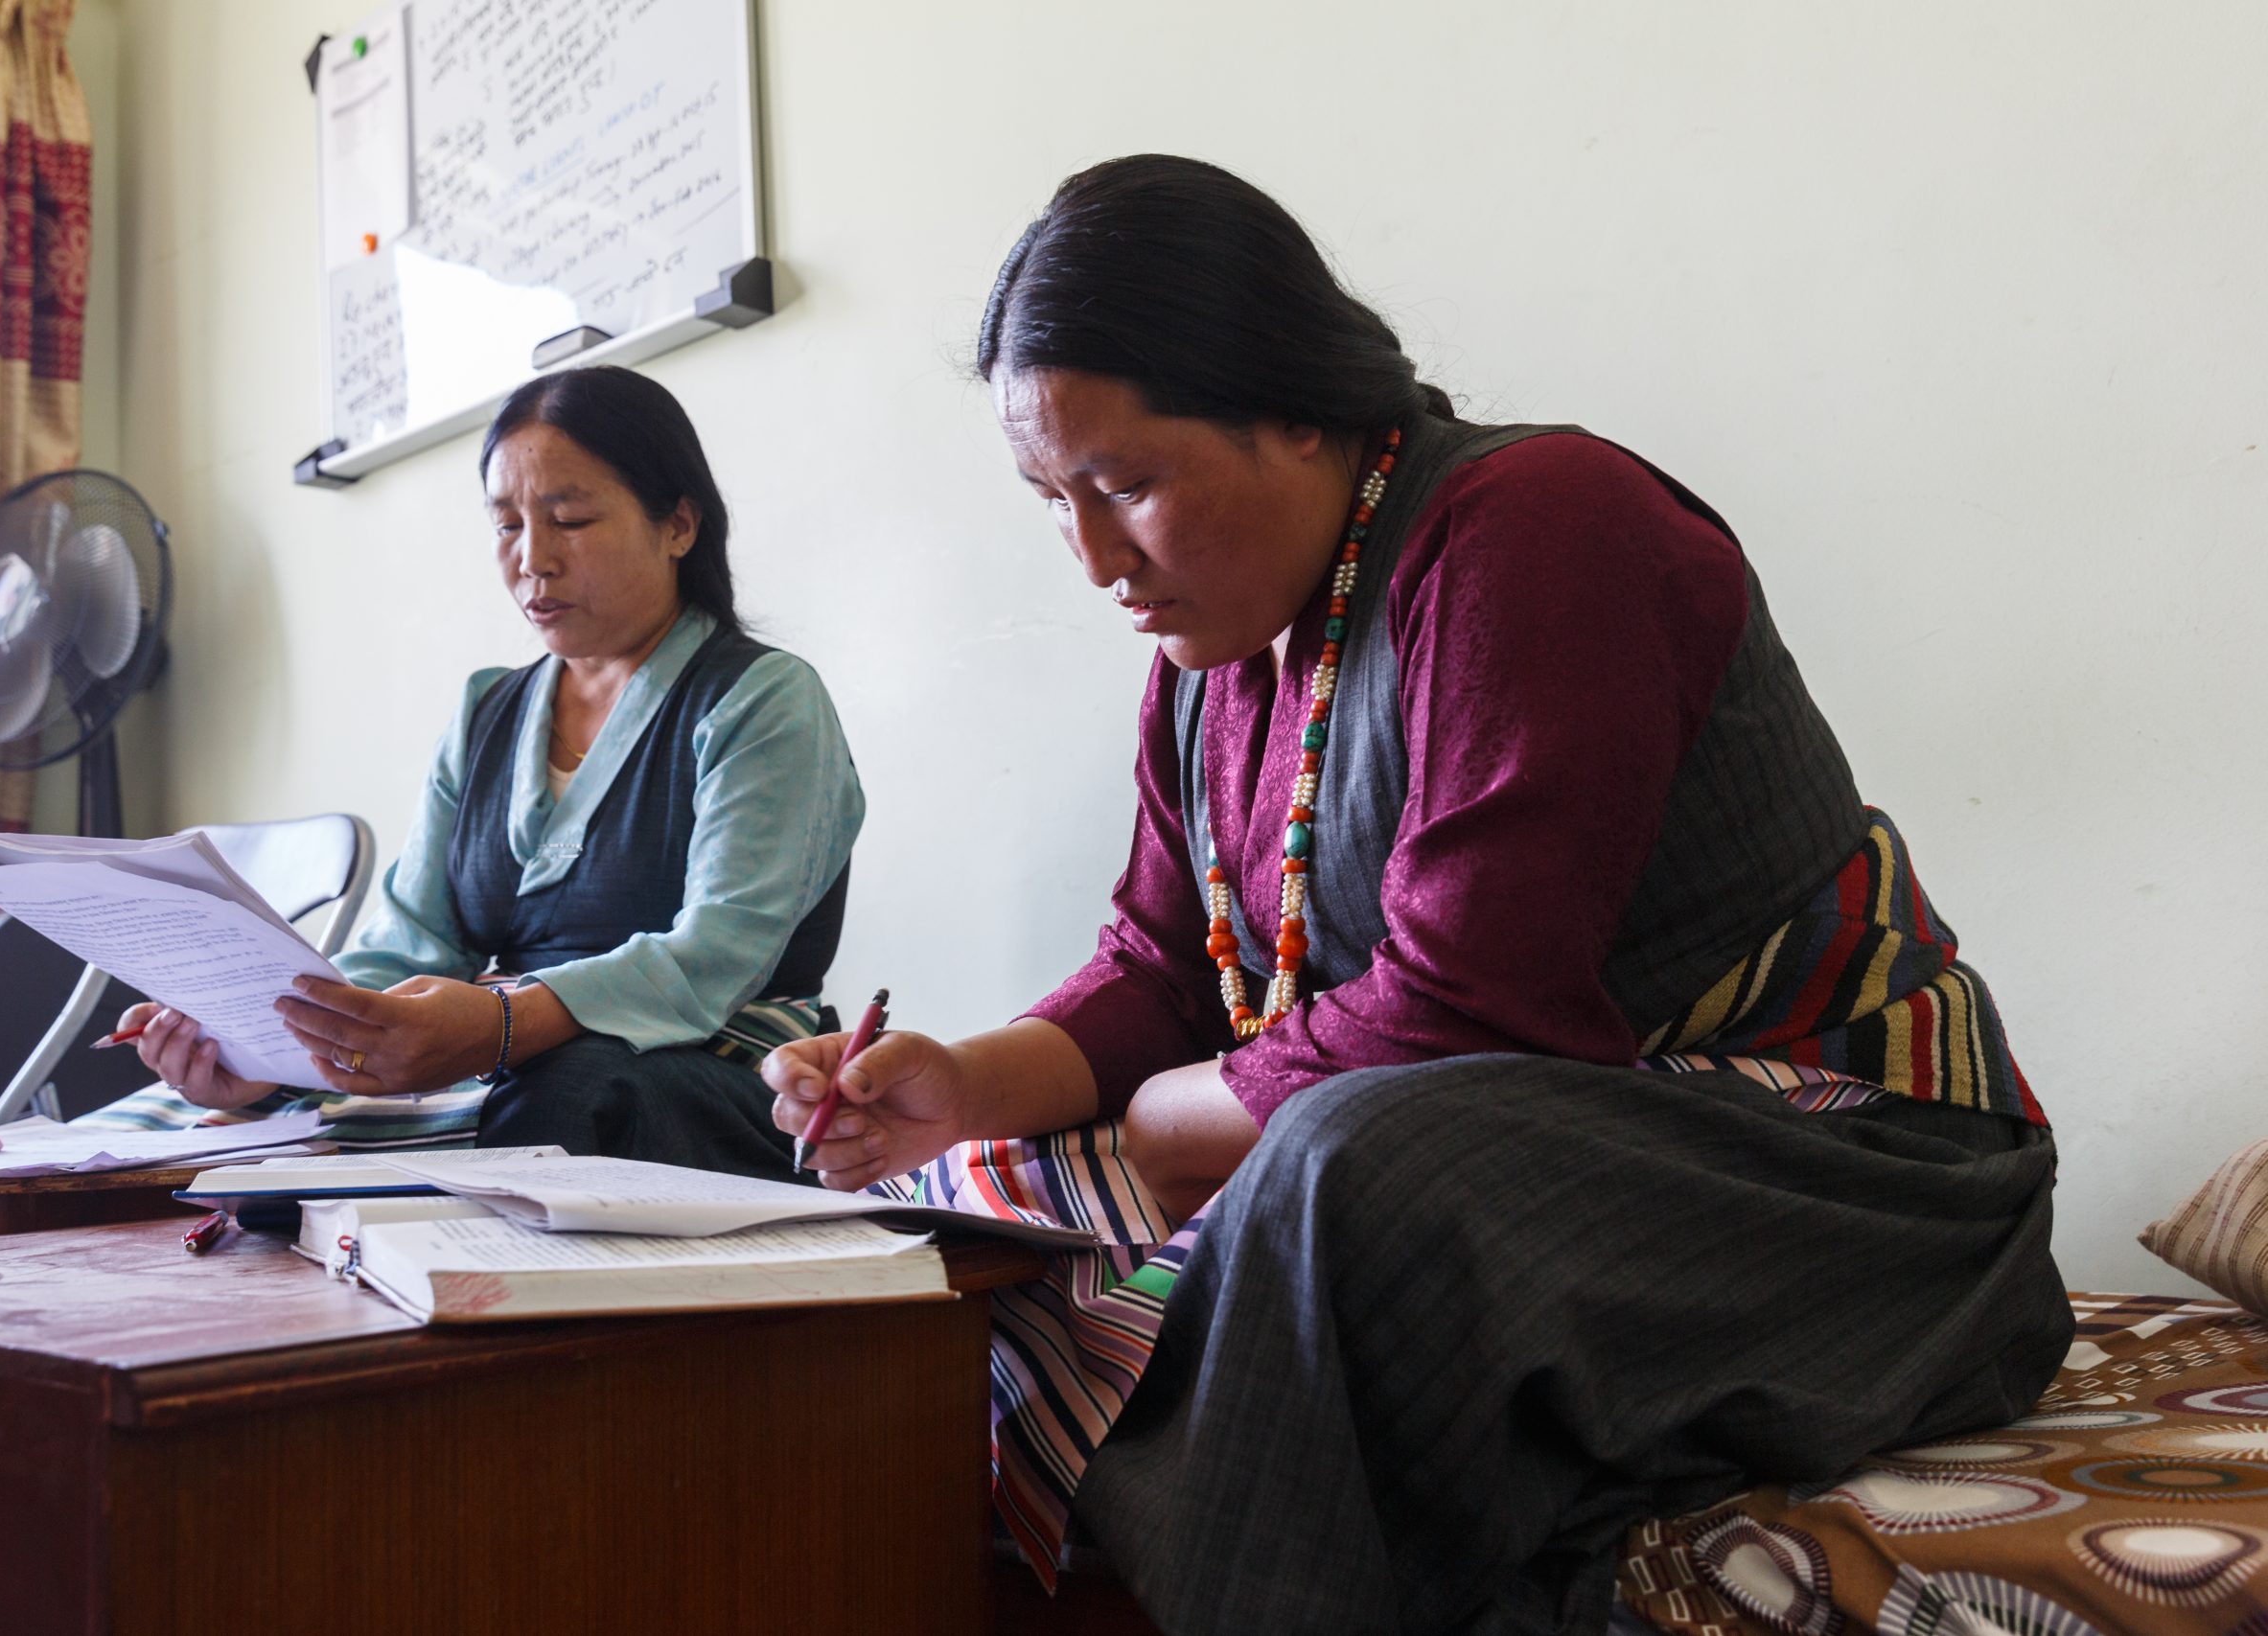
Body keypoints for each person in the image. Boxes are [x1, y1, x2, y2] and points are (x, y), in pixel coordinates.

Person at [764, 156, 2071, 1635]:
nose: (1095, 559)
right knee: (958, 1199)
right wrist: (960, 1082)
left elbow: (1463, 1010)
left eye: (1127, 483)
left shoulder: (1537, 524)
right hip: (1532, 1147)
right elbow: (1161, 961)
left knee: (1346, 1173)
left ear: (1297, 404)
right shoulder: (1207, 669)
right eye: (1052, 499)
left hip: (1848, 1172)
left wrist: (1150, 1126)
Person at [96, 366, 864, 1181]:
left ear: (678, 524)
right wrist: (270, 1049)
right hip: (502, 1058)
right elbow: (405, 945)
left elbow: (711, 955)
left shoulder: (761, 699)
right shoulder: (486, 712)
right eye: (506, 526)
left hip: (707, 1069)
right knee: (158, 1135)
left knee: (566, 1104)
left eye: (569, 518)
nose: (534, 559)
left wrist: (501, 1021)